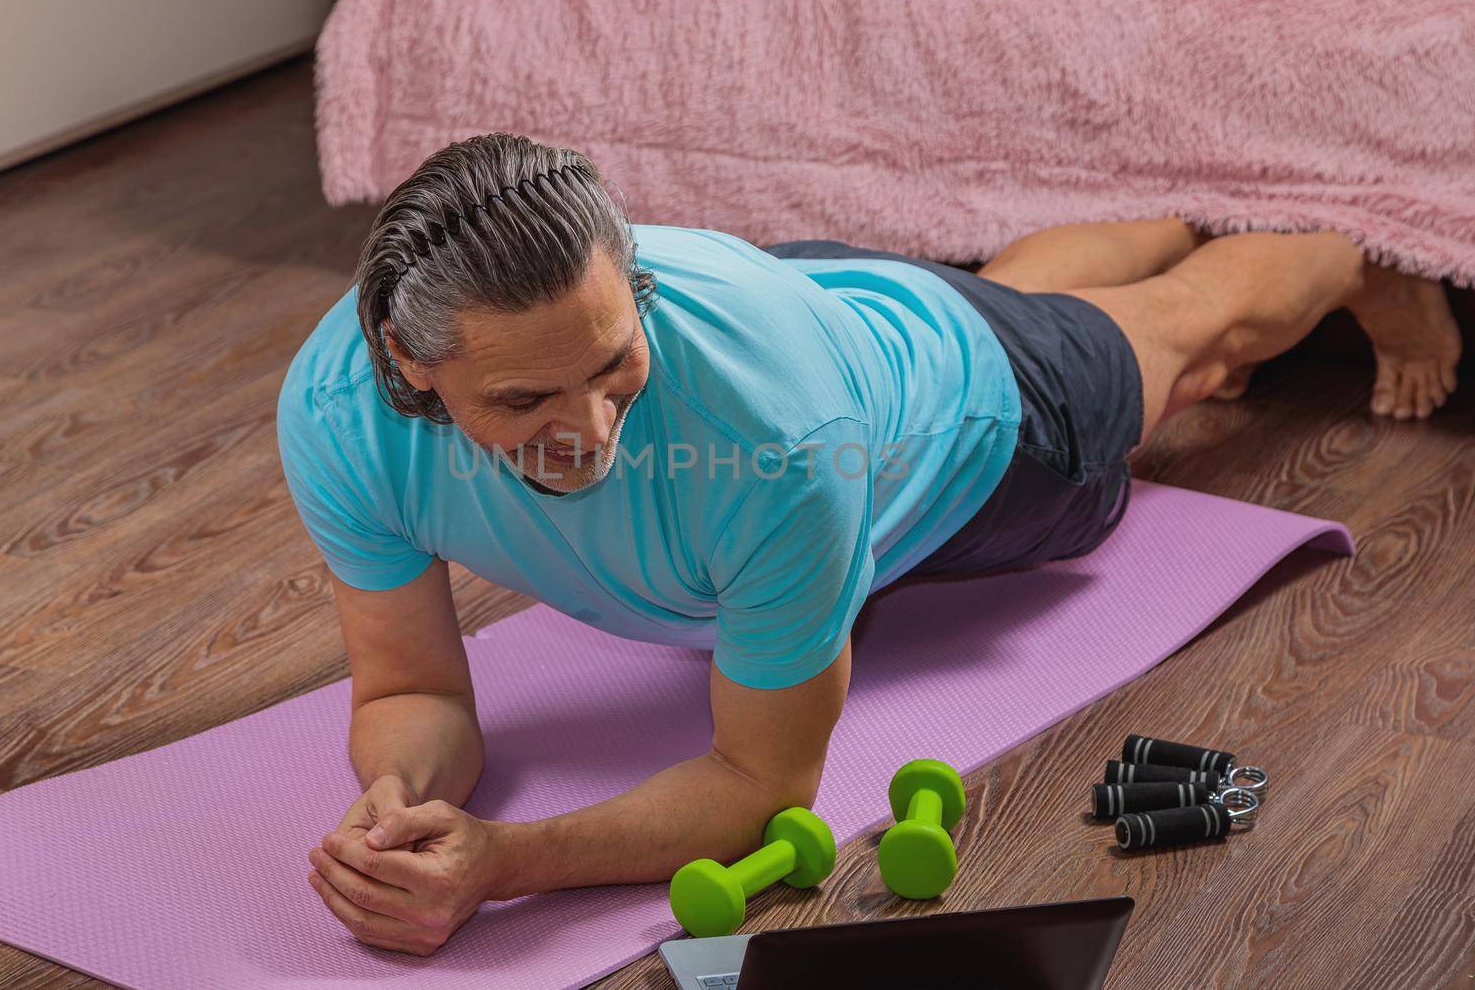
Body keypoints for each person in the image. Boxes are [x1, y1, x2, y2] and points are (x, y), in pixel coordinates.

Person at [276, 131, 1442, 956]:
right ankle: (1131, 231)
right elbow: (414, 684)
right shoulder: (338, 409)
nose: (589, 432)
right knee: (973, 297)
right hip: (825, 304)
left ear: (633, 281)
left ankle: (1348, 257)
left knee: (1183, 340)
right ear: (406, 363)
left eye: (613, 362)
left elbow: (759, 782)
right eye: (527, 397)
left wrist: (507, 862)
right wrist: (394, 802)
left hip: (987, 418)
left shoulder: (778, 437)